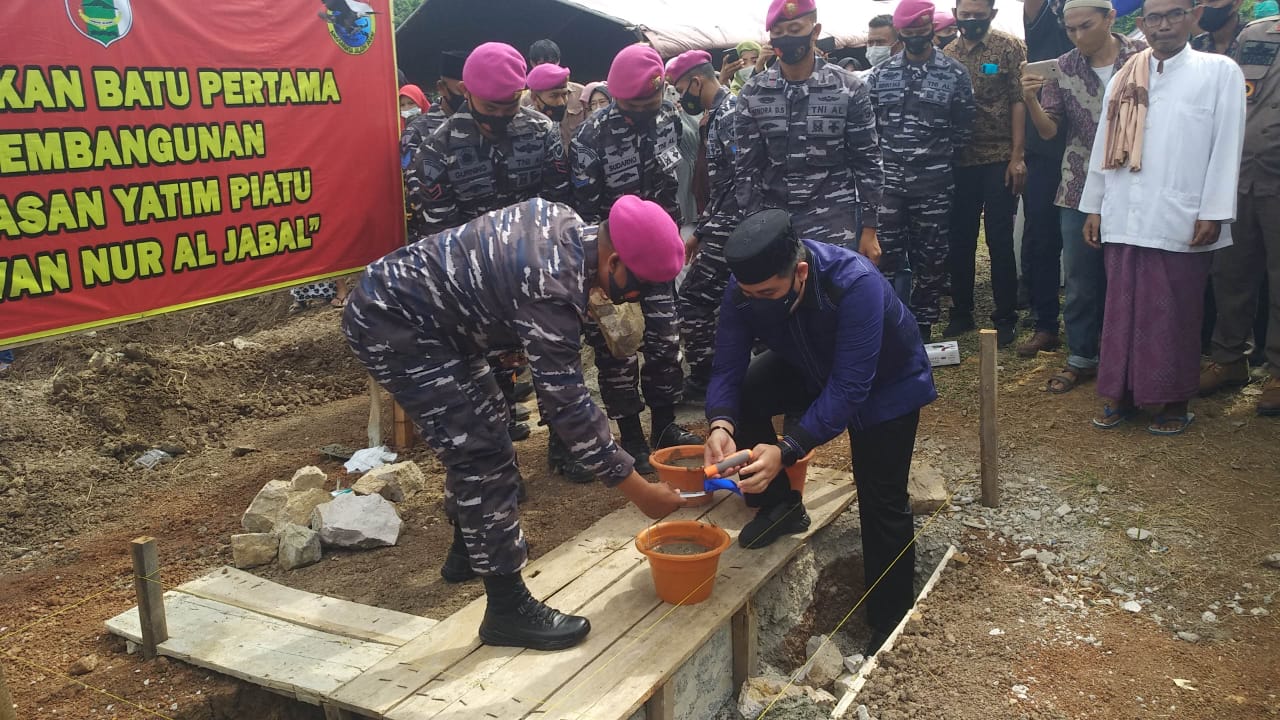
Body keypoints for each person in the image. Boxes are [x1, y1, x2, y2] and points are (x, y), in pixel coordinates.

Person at [343, 196, 688, 651]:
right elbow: (566, 405)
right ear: (616, 260)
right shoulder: (552, 282)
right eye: (637, 287)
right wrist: (640, 493)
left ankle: (467, 550)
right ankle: (507, 610)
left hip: (437, 323)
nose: (635, 298)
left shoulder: (570, 229)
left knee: (489, 423)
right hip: (396, 324)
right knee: (482, 454)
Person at [704, 209, 936, 655]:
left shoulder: (855, 283)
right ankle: (780, 507)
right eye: (750, 294)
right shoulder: (746, 290)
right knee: (749, 388)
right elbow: (727, 364)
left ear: (801, 272)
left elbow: (851, 388)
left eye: (768, 293)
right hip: (810, 362)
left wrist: (786, 449)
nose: (759, 302)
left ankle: (891, 624)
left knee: (881, 497)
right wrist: (721, 422)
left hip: (888, 384)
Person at [1078, 0, 1245, 435]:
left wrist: (1214, 210)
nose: (1163, 25)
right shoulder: (1126, 75)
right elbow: (1103, 144)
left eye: (1174, 15)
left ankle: (1173, 401)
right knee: (1120, 310)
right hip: (1125, 211)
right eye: (1154, 17)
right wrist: (1094, 205)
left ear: (1192, 16)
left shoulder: (1218, 71)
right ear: (1142, 24)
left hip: (1181, 214)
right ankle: (1122, 394)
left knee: (1174, 313)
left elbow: (1228, 145)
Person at [570, 43, 699, 476]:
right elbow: (584, 212)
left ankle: (664, 427)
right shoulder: (592, 138)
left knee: (665, 342)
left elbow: (677, 183)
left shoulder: (671, 120)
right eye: (633, 104)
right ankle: (632, 439)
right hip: (614, 261)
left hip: (659, 254)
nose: (643, 109)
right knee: (617, 350)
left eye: (651, 100)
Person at [1021, 0, 1146, 393]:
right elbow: (1049, 132)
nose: (1077, 36)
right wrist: (1030, 100)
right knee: (1079, 277)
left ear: (1110, 18)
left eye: (1085, 26)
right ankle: (1081, 356)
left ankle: (1127, 357)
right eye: (1070, 28)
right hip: (1078, 184)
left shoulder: (1142, 59)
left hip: (1136, 181)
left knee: (1130, 274)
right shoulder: (1065, 66)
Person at [735, 0, 884, 254]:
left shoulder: (848, 88)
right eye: (778, 32)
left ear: (815, 31)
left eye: (795, 30)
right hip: (773, 221)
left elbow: (867, 160)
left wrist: (870, 229)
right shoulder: (753, 92)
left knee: (830, 291)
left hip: (832, 220)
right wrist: (753, 223)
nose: (786, 38)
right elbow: (746, 168)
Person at [868, 0, 977, 341]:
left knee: (931, 259)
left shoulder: (955, 73)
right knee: (884, 257)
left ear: (932, 29)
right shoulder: (881, 74)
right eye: (909, 32)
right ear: (899, 33)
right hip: (889, 187)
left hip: (934, 183)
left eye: (921, 30)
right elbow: (868, 128)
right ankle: (885, 323)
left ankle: (923, 328)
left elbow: (963, 127)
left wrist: (935, 157)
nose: (915, 36)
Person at [1199, 12, 1280, 416]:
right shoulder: (1257, 34)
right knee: (1230, 271)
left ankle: (1279, 372)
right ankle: (1230, 358)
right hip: (1240, 175)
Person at [943, 0, 1028, 346]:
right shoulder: (946, 53)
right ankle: (961, 312)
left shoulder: (1009, 47)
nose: (973, 21)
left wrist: (1017, 156)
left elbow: (1017, 100)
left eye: (980, 15)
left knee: (999, 239)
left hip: (998, 158)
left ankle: (1005, 315)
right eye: (967, 15)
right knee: (959, 239)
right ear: (956, 15)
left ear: (992, 15)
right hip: (959, 161)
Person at [667, 50, 740, 400]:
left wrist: (704, 231)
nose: (680, 96)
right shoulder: (719, 113)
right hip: (725, 222)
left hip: (734, 225)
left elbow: (736, 184)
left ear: (696, 82)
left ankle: (704, 376)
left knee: (694, 295)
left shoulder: (729, 116)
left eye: (680, 88)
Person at [1017, 0, 1074, 352]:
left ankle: (1099, 326)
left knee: (1096, 244)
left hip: (1091, 151)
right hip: (1045, 152)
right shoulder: (1045, 17)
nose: (1077, 29)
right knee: (1042, 240)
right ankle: (1046, 323)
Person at [522, 40, 588, 151]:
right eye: (542, 64)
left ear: (559, 61)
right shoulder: (525, 102)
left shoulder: (581, 93)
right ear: (532, 64)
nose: (561, 102)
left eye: (552, 63)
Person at [525, 62, 576, 154]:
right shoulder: (523, 128)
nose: (561, 102)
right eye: (554, 96)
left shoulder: (558, 123)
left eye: (564, 94)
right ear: (534, 97)